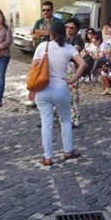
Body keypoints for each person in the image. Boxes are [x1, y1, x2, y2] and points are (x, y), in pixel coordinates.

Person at [32, 21, 86, 166]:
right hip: (61, 88)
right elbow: (83, 64)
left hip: (43, 89)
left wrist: (31, 90)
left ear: (51, 33)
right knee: (66, 119)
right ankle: (68, 150)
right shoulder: (68, 48)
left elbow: (34, 69)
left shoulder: (43, 46)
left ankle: (47, 157)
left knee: (46, 122)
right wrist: (73, 78)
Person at [65, 18, 85, 127]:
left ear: (76, 29)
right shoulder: (62, 38)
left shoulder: (78, 39)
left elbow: (73, 51)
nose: (68, 29)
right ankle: (54, 117)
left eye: (71, 27)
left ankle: (74, 120)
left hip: (72, 68)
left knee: (72, 95)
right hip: (61, 67)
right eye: (66, 27)